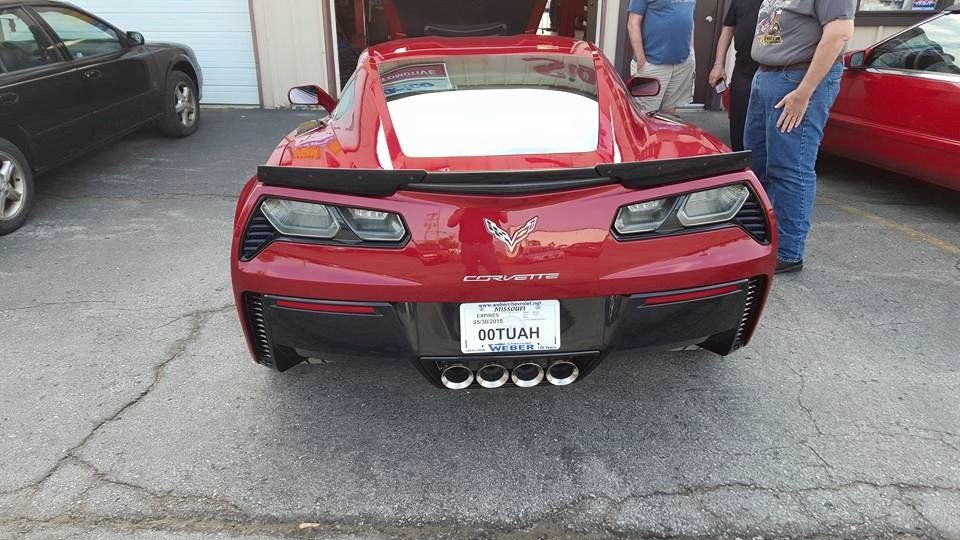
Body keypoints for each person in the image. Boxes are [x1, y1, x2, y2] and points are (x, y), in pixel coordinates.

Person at [743, 0, 855, 274]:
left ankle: (788, 252)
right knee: (759, 163)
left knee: (790, 167)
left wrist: (804, 92)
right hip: (767, 75)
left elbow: (839, 32)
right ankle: (766, 236)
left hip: (797, 79)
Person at [708, 0, 763, 151]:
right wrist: (719, 65)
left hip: (771, 73)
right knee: (738, 128)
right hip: (742, 73)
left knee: (765, 136)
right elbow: (727, 29)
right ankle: (741, 170)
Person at [626, 0, 697, 113]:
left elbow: (689, 18)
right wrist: (641, 61)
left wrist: (691, 50)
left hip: (681, 63)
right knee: (644, 113)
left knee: (670, 111)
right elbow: (632, 24)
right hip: (652, 64)